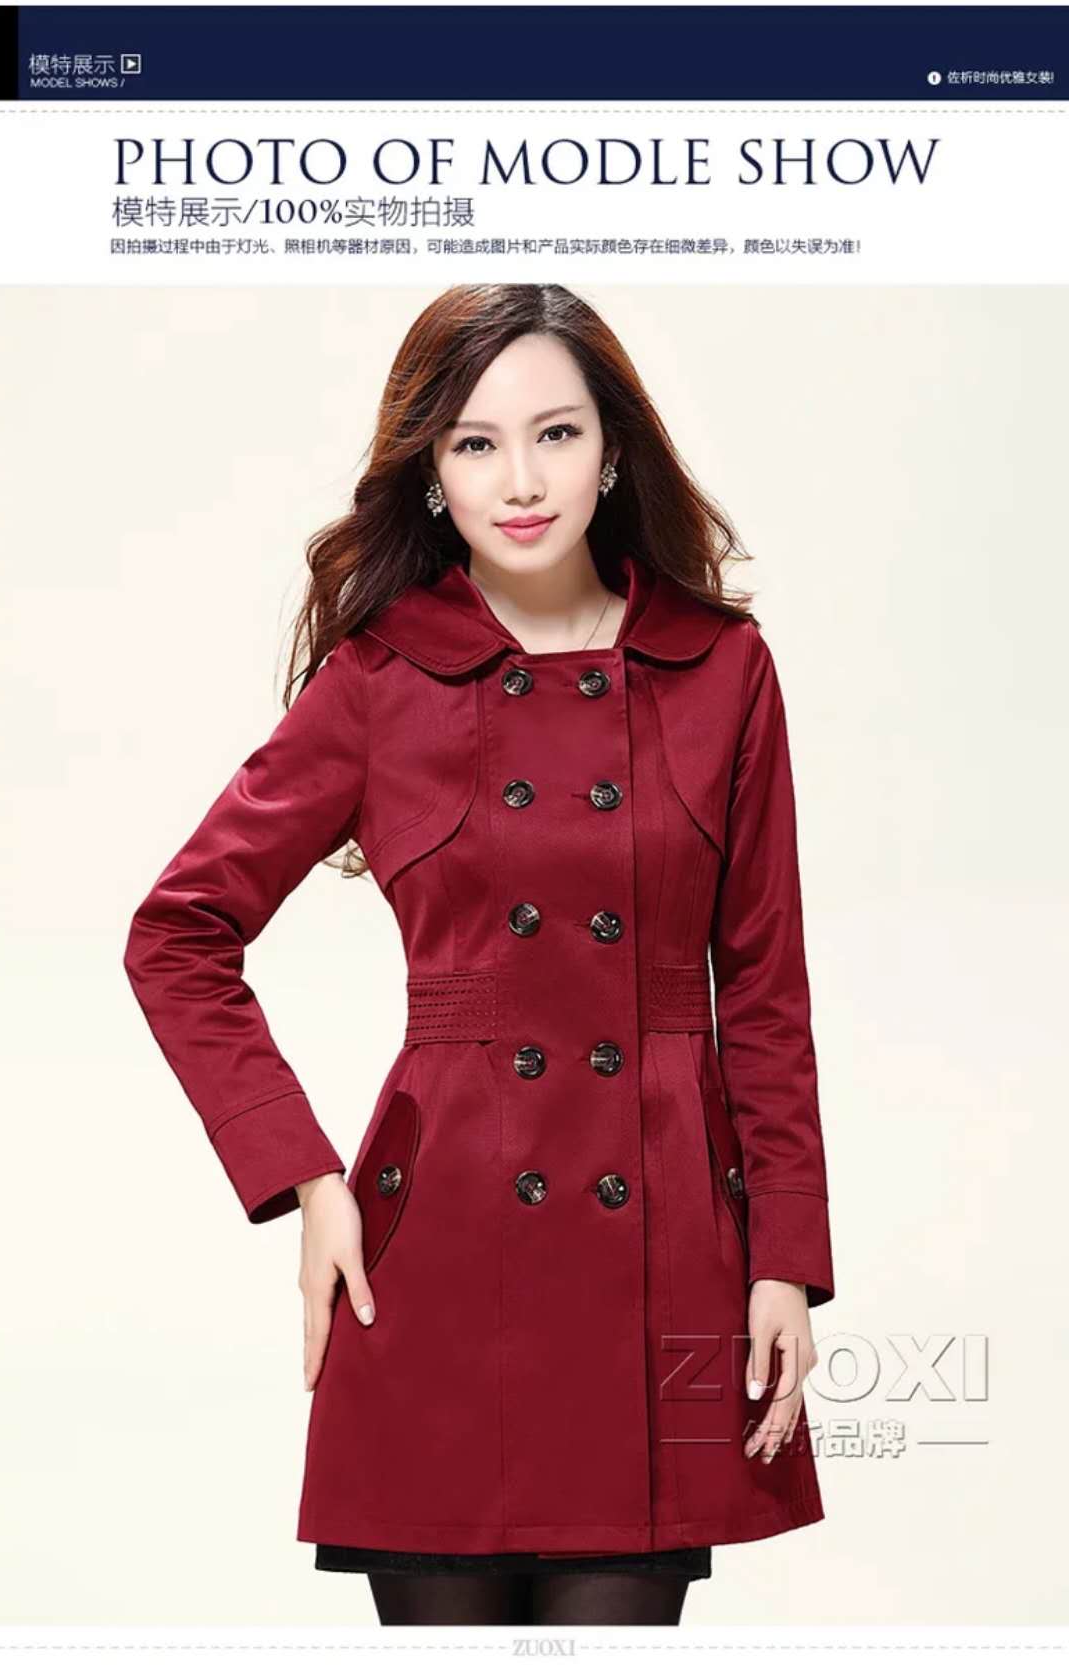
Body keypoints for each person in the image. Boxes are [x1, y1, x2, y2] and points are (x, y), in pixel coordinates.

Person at [123, 282, 835, 1627]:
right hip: (435, 1259)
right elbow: (177, 933)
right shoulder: (379, 682)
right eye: (475, 443)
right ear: (432, 473)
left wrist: (782, 1253)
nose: (521, 480)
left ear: (612, 450)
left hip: (662, 1259)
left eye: (556, 434)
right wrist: (306, 1180)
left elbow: (762, 991)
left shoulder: (723, 670)